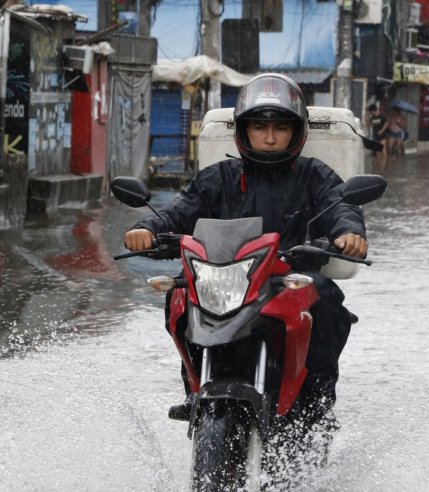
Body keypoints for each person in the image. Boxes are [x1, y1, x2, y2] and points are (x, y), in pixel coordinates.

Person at [124, 73, 368, 424]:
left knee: (327, 298)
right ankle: (194, 390)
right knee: (178, 291)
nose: (269, 138)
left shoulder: (315, 175)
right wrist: (146, 229)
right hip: (228, 279)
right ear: (243, 131)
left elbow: (342, 206)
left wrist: (349, 234)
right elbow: (178, 211)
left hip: (287, 279)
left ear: (296, 132)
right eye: (259, 128)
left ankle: (315, 405)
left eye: (281, 128)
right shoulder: (217, 177)